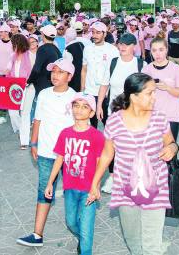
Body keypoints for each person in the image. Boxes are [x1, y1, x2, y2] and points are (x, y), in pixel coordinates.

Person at [89, 73, 178, 255]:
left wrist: (172, 148)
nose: (154, 97)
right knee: (133, 241)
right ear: (134, 97)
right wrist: (95, 184)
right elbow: (107, 155)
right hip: (125, 190)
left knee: (152, 246)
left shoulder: (160, 118)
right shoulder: (114, 121)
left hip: (157, 188)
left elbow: (171, 142)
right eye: (149, 93)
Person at [17, 58, 76, 248]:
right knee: (44, 191)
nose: (55, 75)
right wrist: (33, 143)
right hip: (46, 151)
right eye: (54, 71)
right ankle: (37, 234)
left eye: (60, 72)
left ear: (70, 76)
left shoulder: (75, 97)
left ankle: (80, 229)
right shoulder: (43, 94)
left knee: (73, 192)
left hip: (68, 155)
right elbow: (38, 119)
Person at [43, 93, 104, 255]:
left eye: (85, 106)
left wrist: (96, 187)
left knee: (86, 227)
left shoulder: (97, 136)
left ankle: (85, 246)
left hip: (88, 190)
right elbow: (59, 159)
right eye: (76, 105)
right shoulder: (65, 133)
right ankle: (84, 239)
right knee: (71, 222)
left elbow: (100, 163)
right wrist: (50, 182)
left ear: (92, 113)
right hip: (70, 187)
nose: (79, 109)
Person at [97, 33, 145, 194]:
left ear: (134, 46)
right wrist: (99, 107)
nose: (123, 46)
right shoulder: (113, 63)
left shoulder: (141, 65)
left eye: (127, 44)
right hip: (114, 112)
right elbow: (104, 86)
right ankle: (112, 178)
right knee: (111, 146)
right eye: (120, 44)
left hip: (135, 114)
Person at [142, 37, 179, 141]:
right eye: (154, 50)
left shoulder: (176, 68)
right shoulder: (146, 70)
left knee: (169, 151)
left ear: (167, 49)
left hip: (171, 116)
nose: (158, 54)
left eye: (161, 50)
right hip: (151, 117)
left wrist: (167, 88)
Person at [81, 22, 120, 129]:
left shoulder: (113, 50)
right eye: (93, 32)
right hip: (90, 93)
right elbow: (84, 71)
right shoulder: (87, 49)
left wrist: (110, 90)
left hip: (106, 95)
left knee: (109, 126)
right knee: (89, 127)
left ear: (104, 34)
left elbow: (115, 73)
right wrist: (82, 91)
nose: (94, 36)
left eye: (98, 33)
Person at [5, 34, 34, 148]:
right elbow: (8, 68)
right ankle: (21, 130)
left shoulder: (30, 56)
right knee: (12, 113)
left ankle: (24, 141)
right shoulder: (12, 56)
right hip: (14, 88)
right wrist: (6, 70)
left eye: (15, 44)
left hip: (28, 88)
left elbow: (33, 72)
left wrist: (27, 81)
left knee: (25, 113)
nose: (13, 46)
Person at [0, 24, 14, 125]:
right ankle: (2, 115)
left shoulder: (13, 42)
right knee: (0, 93)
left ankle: (13, 112)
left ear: (7, 32)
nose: (0, 33)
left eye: (1, 32)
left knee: (12, 92)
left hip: (11, 71)